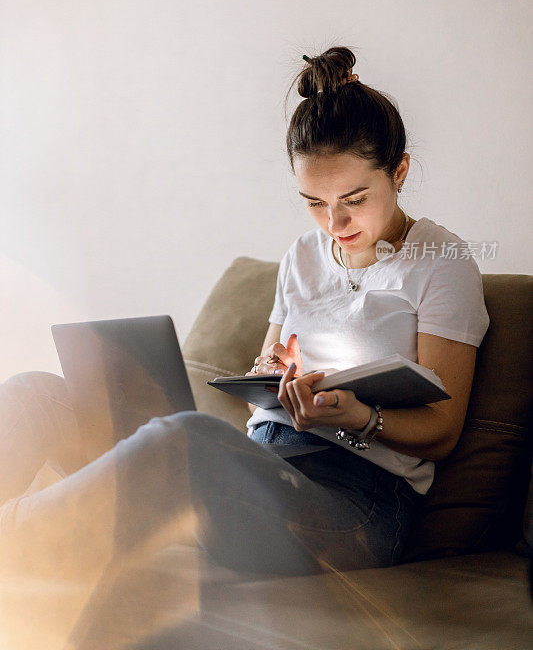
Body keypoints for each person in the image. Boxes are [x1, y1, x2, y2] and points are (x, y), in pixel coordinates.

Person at [0, 46, 490, 618]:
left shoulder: (442, 262)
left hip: (355, 503)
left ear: (399, 171)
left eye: (355, 200)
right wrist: (273, 379)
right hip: (260, 468)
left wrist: (354, 416)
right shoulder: (303, 257)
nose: (335, 224)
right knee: (39, 392)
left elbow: (443, 430)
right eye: (314, 202)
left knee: (185, 438)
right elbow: (268, 365)